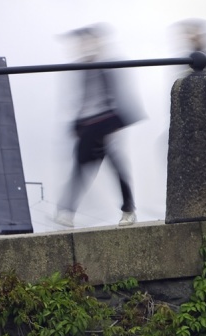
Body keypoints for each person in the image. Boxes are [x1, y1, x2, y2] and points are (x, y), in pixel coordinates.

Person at [55, 25, 138, 227]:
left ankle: (128, 210)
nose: (84, 47)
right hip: (88, 124)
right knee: (80, 167)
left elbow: (119, 94)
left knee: (116, 167)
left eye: (88, 42)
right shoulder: (79, 68)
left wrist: (116, 125)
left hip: (106, 122)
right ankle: (67, 210)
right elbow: (80, 99)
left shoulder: (106, 65)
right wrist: (77, 125)